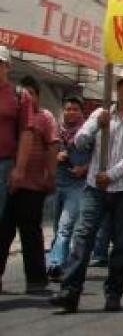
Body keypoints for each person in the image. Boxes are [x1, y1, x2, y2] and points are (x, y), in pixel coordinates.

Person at [50, 66, 123, 313]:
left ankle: (114, 293)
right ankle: (70, 292)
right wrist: (97, 124)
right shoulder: (100, 112)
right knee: (82, 237)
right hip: (94, 189)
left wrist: (112, 174)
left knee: (122, 244)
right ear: (117, 88)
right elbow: (79, 141)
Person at [0, 75, 58, 294]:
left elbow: (52, 146)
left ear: (38, 96)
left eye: (32, 94)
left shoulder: (45, 118)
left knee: (30, 232)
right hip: (6, 182)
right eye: (25, 93)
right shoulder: (12, 115)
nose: (28, 98)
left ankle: (35, 279)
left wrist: (50, 175)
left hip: (33, 185)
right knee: (3, 231)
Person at [0, 45, 35, 288]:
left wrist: (19, 169)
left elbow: (26, 133)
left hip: (3, 164)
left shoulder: (19, 96)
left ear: (7, 67)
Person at [46, 96, 89, 281]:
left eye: (75, 109)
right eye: (68, 109)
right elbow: (45, 152)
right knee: (57, 227)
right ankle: (59, 263)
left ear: (81, 112)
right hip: (57, 182)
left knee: (66, 225)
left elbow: (99, 158)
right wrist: (56, 157)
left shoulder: (88, 133)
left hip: (77, 185)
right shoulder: (56, 131)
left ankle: (55, 264)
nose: (70, 112)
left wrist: (84, 168)